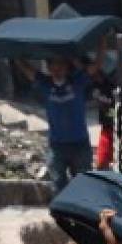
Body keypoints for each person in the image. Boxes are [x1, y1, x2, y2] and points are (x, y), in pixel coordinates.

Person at [14, 46, 103, 193]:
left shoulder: (78, 81)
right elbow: (26, 69)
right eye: (54, 65)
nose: (58, 69)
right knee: (58, 185)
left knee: (84, 185)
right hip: (57, 146)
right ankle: (62, 215)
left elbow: (97, 64)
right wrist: (15, 53)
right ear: (48, 68)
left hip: (80, 144)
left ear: (68, 67)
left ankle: (81, 214)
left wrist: (102, 41)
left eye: (61, 65)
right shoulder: (45, 84)